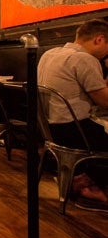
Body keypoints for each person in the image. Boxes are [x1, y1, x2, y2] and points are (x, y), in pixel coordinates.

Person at [38, 19, 108, 207]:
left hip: (50, 131)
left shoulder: (49, 54)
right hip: (75, 132)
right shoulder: (85, 59)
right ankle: (89, 184)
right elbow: (105, 101)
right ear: (99, 40)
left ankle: (80, 178)